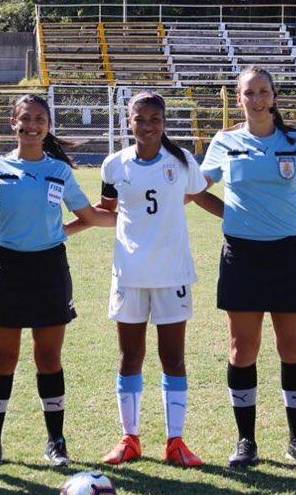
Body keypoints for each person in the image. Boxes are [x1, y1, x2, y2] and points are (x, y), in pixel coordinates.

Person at [0, 94, 116, 467]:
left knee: (48, 357)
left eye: (40, 119)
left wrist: (136, 219)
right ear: (13, 123)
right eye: (25, 118)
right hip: (7, 269)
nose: (32, 125)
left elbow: (89, 216)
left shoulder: (59, 171)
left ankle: (56, 441)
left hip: (50, 270)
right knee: (2, 358)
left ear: (48, 126)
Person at [66, 92, 215, 468]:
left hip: (172, 274)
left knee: (173, 357)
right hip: (129, 274)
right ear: (128, 121)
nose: (147, 126)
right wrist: (64, 229)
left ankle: (176, 442)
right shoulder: (114, 165)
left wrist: (241, 219)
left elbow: (201, 197)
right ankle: (129, 439)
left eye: (155, 119)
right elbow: (106, 212)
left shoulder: (181, 162)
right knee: (130, 356)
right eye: (140, 119)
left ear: (164, 123)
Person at [199, 66, 296, 469]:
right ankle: (246, 441)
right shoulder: (224, 142)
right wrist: (232, 214)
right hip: (242, 256)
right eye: (249, 93)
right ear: (238, 97)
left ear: (274, 96)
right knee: (242, 349)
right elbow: (196, 191)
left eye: (263, 91)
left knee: (293, 349)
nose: (256, 99)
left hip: (289, 255)